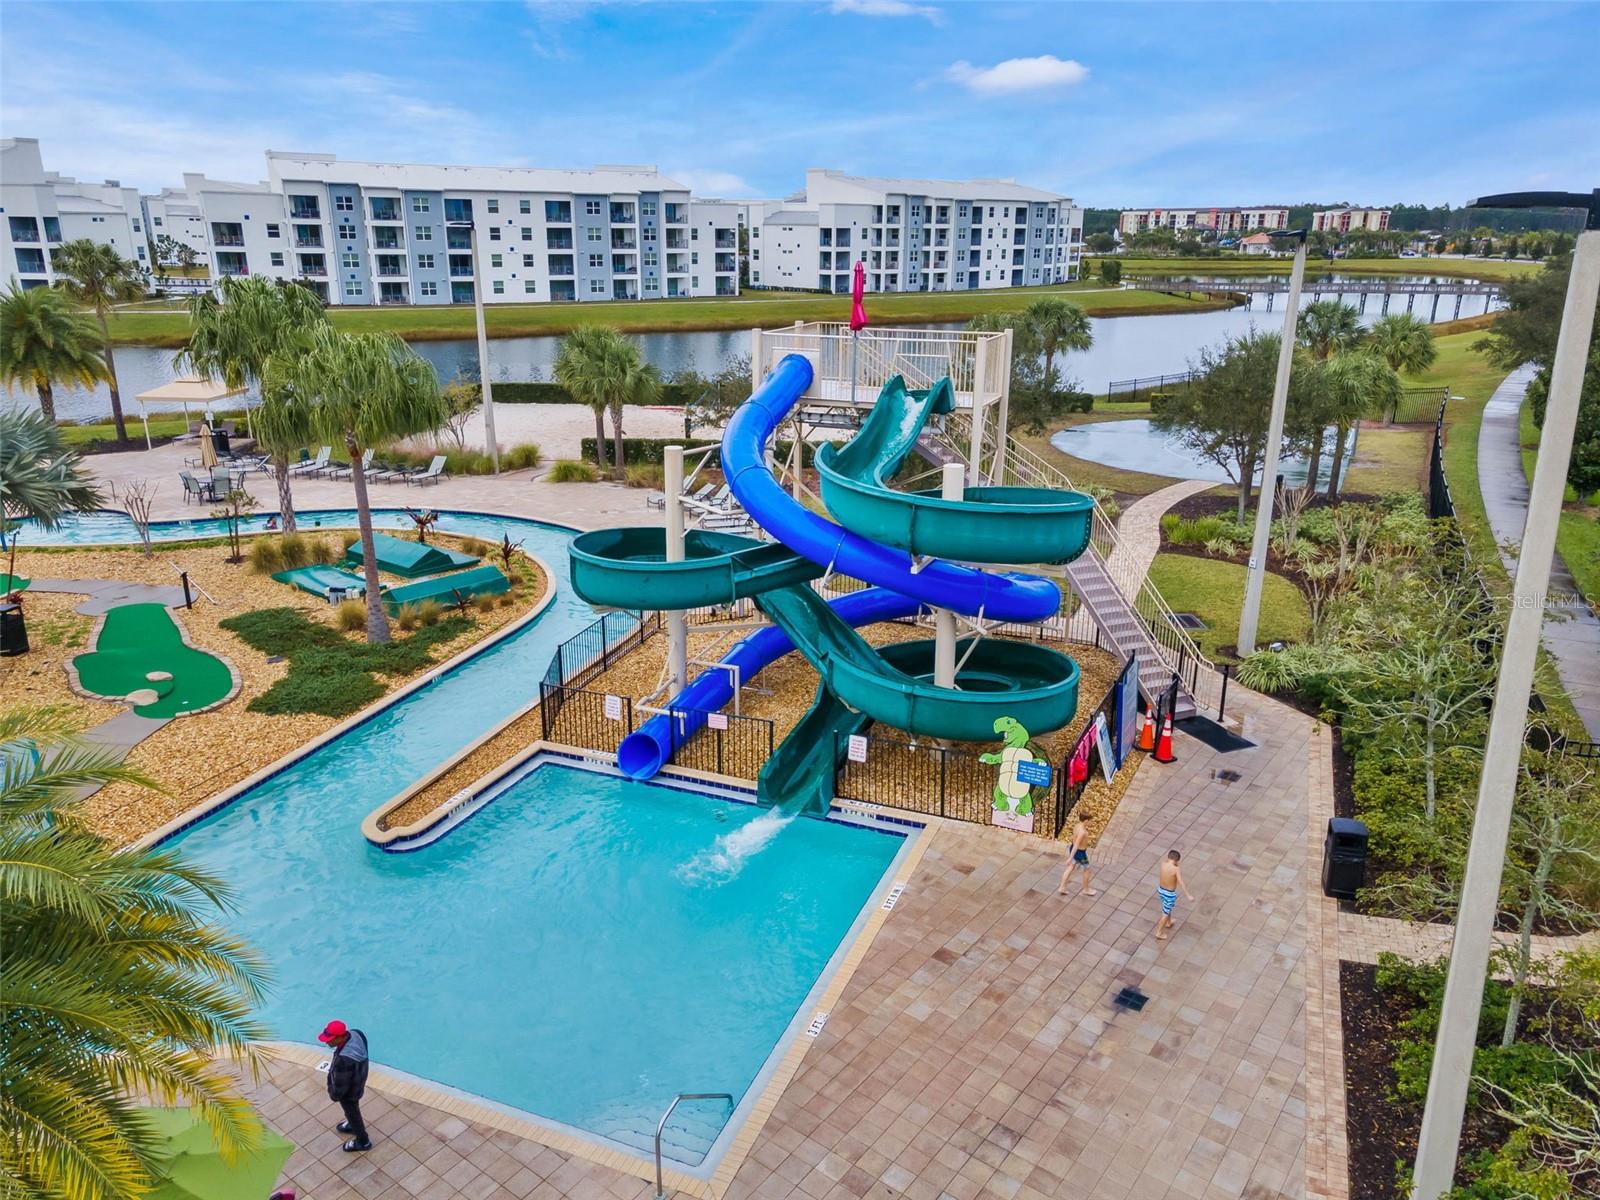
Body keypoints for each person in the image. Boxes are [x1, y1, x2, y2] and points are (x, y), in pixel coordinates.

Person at [318, 1020, 372, 1151]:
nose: (327, 1042)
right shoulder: (356, 1034)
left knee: (353, 1113)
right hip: (359, 1078)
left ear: (340, 1037)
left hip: (350, 1092)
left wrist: (333, 1094)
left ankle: (363, 1141)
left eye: (330, 1039)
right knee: (351, 1111)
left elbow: (340, 1087)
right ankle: (352, 1125)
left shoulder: (344, 1060)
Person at [1154, 850, 1194, 941]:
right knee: (1165, 912)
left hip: (1161, 890)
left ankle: (1168, 922)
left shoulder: (1163, 864)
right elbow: (1181, 882)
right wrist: (1188, 895)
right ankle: (1159, 932)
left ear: (1168, 857)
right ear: (1177, 860)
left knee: (1167, 907)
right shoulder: (1176, 869)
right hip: (1169, 893)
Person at [1057, 815, 1097, 897]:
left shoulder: (1077, 826)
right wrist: (1070, 858)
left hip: (1074, 849)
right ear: (1086, 821)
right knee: (1087, 870)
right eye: (1090, 821)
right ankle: (1086, 890)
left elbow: (1073, 840)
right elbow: (1077, 845)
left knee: (1071, 867)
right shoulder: (1082, 832)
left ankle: (1062, 887)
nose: (1091, 823)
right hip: (1080, 853)